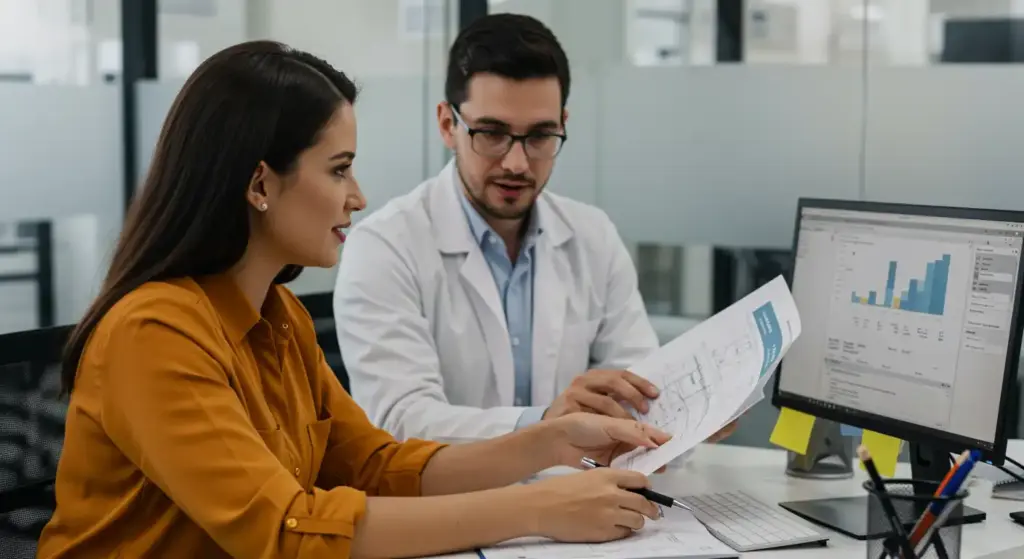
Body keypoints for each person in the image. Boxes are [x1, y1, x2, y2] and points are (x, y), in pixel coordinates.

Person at [35, 41, 675, 559]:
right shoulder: (154, 332)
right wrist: (536, 508)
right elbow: (286, 530)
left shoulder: (278, 317)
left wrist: (551, 443)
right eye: (339, 169)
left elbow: (376, 467)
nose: (358, 196)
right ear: (260, 183)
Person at [333, 14, 739, 443]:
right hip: (457, 491)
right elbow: (400, 421)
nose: (517, 163)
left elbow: (637, 388)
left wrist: (685, 413)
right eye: (492, 133)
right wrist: (546, 424)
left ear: (562, 125)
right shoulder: (384, 247)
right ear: (448, 125)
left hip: (580, 483)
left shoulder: (592, 237)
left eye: (540, 136)